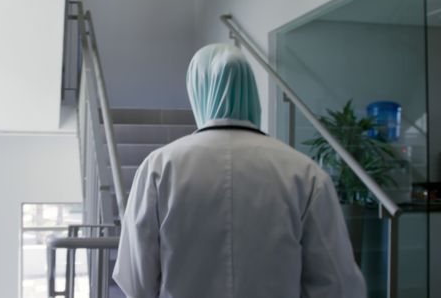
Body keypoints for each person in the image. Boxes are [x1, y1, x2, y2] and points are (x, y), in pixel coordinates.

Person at [112, 43, 366, 298]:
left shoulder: (158, 168)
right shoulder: (306, 174)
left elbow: (136, 282)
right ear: (250, 91)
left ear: (199, 92)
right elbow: (338, 285)